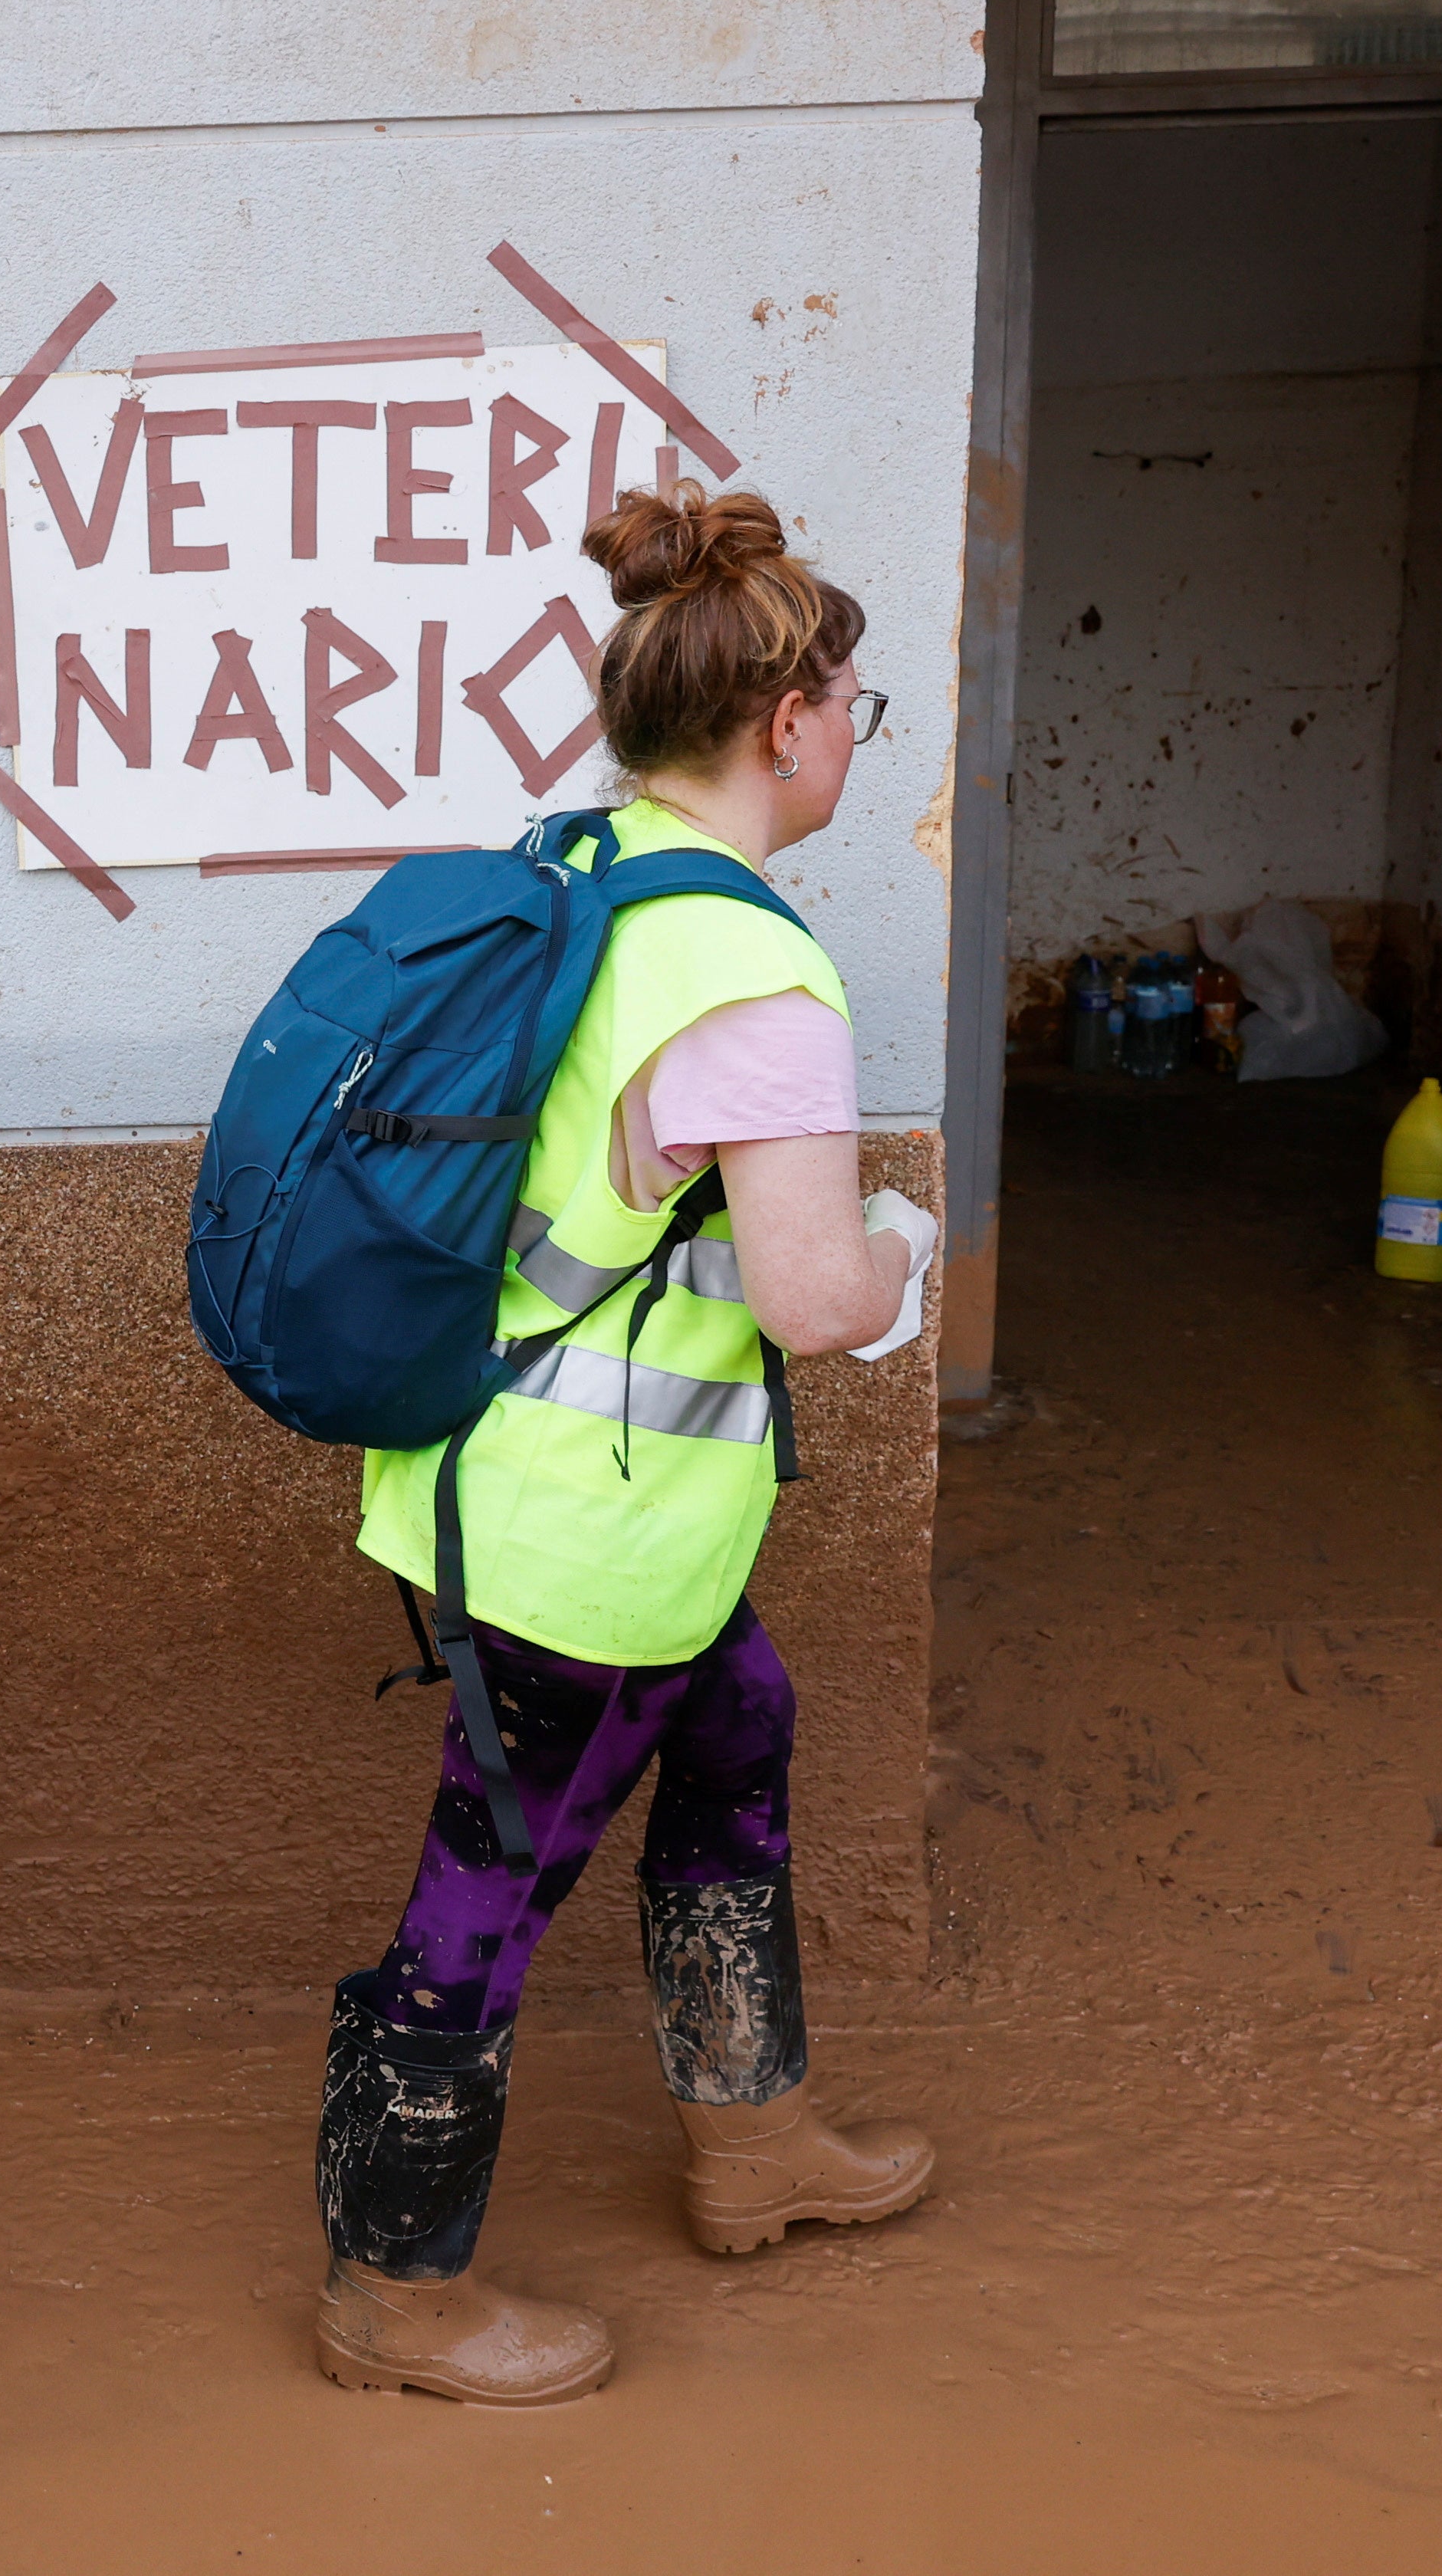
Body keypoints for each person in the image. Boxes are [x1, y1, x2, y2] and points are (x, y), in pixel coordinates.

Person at [311, 481, 942, 2407]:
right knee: (486, 1888)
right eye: (859, 706)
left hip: (521, 1478)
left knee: (738, 1725)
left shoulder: (584, 868)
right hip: (585, 1536)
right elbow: (817, 1295)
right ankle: (389, 2288)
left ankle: (752, 2139)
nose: (855, 734)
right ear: (789, 722)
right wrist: (913, 1249)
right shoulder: (750, 967)